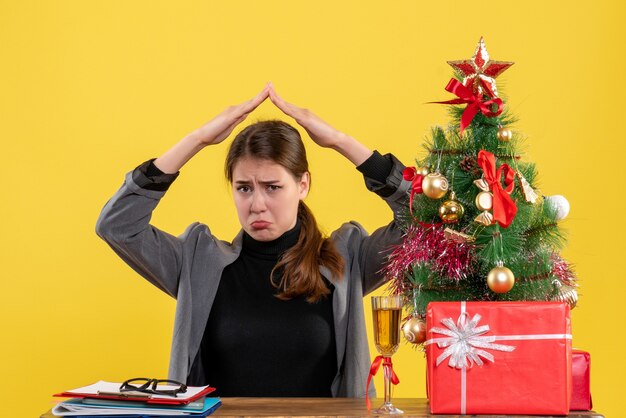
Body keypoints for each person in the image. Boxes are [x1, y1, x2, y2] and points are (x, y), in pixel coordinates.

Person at [95, 83, 410, 398]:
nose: (257, 204)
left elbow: (424, 220)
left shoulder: (345, 258)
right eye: (244, 187)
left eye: (272, 187)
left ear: (303, 185)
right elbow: (117, 225)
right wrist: (197, 140)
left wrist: (342, 142)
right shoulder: (198, 262)